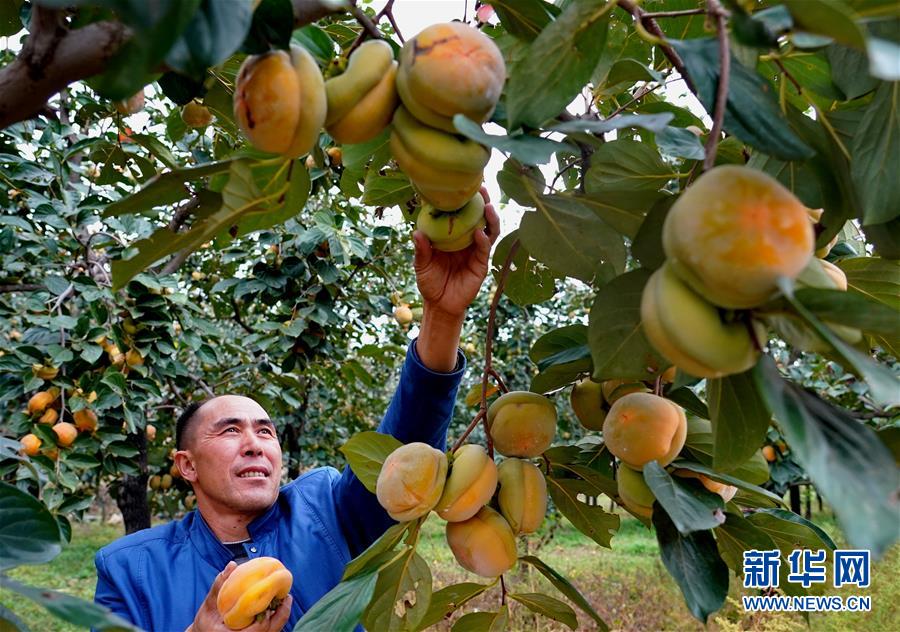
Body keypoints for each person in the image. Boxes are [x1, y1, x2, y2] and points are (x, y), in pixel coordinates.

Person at [93, 190, 499, 631]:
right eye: (230, 431)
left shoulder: (324, 508)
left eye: (266, 432)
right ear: (186, 465)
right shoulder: (130, 569)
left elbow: (407, 452)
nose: (255, 445)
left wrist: (441, 314)